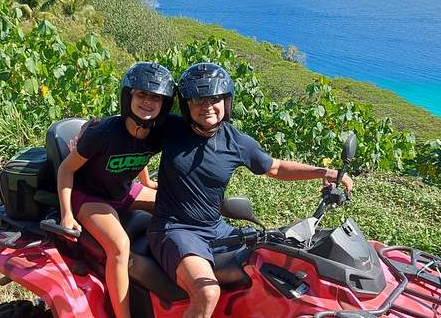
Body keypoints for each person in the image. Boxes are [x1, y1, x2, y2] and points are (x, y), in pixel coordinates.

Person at [147, 62, 354, 318]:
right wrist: (93, 130)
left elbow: (275, 168)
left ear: (227, 101)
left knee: (273, 259)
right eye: (198, 99)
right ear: (187, 104)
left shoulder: (236, 142)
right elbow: (130, 135)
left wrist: (322, 172)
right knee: (206, 293)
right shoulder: (170, 129)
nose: (207, 106)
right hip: (174, 229)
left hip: (216, 228)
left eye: (215, 98)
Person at [57, 62, 175, 318]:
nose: (148, 102)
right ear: (128, 96)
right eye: (141, 94)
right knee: (120, 246)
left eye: (156, 97)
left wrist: (147, 183)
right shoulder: (103, 133)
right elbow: (66, 170)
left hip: (124, 191)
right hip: (90, 196)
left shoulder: (155, 133)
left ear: (164, 104)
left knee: (176, 204)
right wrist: (66, 213)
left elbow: (138, 156)